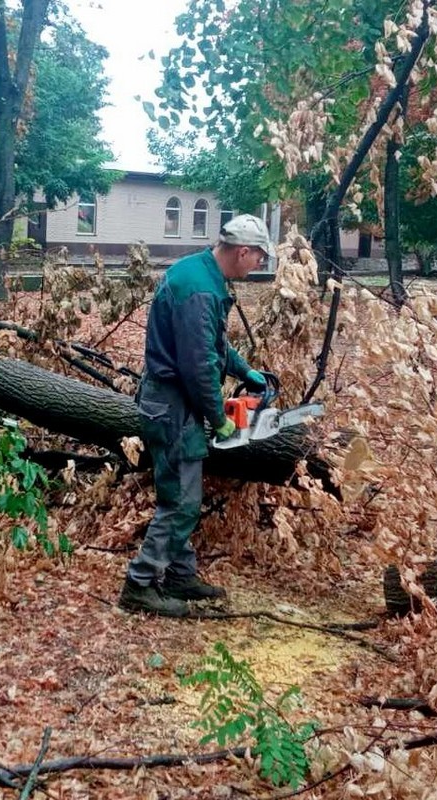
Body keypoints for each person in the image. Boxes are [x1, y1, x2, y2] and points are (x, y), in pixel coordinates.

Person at [119, 213, 274, 617]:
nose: (258, 264)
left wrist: (244, 371)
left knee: (181, 493)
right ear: (243, 251)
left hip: (172, 400)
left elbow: (213, 345)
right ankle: (139, 584)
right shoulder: (201, 291)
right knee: (182, 501)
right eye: (258, 257)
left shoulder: (198, 273)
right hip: (172, 403)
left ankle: (180, 574)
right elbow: (199, 367)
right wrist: (220, 420)